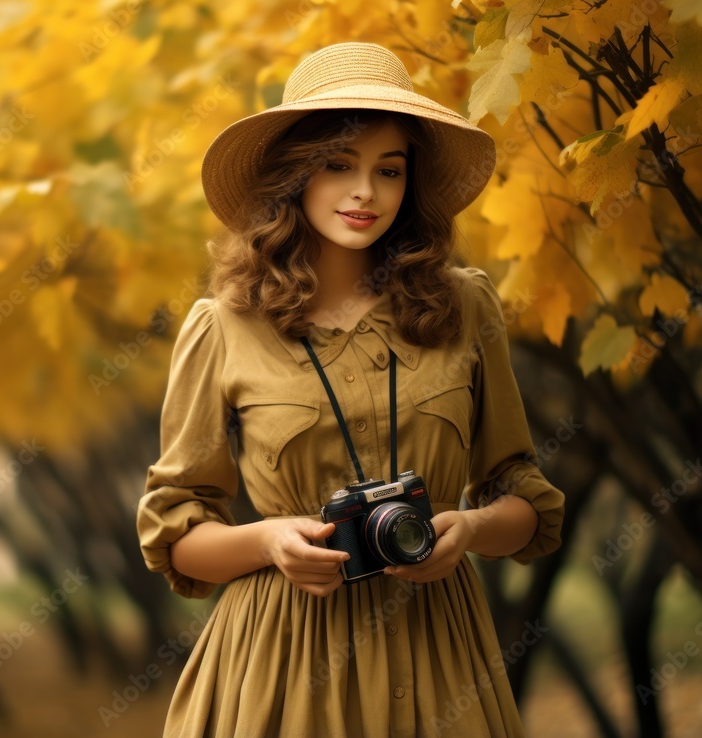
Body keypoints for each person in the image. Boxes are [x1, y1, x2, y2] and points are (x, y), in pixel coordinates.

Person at [136, 42, 565, 737]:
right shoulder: (224, 326)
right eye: (338, 164)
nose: (365, 191)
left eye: (388, 170)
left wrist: (473, 529)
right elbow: (175, 533)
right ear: (294, 175)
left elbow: (525, 496)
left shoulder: (466, 306)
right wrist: (269, 540)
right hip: (282, 666)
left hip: (440, 660)